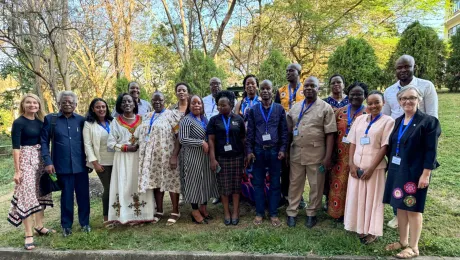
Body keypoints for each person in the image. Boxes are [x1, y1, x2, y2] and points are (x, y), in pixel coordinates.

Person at [383, 85, 441, 259]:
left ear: (419, 100)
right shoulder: (398, 121)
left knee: (413, 208)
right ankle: (402, 241)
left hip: (415, 173)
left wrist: (426, 174)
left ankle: (414, 247)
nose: (408, 101)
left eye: (412, 98)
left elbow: (431, 151)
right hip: (397, 170)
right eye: (404, 98)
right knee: (400, 207)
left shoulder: (429, 122)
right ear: (399, 101)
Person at [382, 54, 439, 229]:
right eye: (399, 67)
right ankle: (397, 214)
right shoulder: (389, 91)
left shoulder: (426, 86)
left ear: (414, 67)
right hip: (396, 142)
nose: (403, 70)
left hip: (416, 144)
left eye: (407, 66)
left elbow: (432, 116)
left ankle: (411, 214)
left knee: (412, 179)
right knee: (396, 177)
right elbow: (385, 117)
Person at [343, 90, 395, 245]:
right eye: (370, 103)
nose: (373, 106)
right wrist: (351, 164)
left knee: (373, 201)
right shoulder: (360, 119)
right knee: (357, 198)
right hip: (356, 167)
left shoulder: (388, 121)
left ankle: (372, 231)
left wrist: (372, 168)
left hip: (375, 169)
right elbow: (353, 142)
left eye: (377, 102)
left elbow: (384, 147)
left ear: (383, 103)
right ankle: (358, 226)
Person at [286, 76, 336, 229]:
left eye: (312, 86)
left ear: (317, 88)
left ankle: (311, 213)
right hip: (296, 152)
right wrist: (287, 152)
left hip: (316, 154)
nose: (308, 88)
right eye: (306, 85)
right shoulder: (295, 108)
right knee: (295, 184)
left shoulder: (325, 108)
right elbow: (288, 132)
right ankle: (292, 212)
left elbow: (330, 134)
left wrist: (327, 157)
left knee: (315, 185)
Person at [8, 94, 54, 250]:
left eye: (35, 102)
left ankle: (39, 226)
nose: (32, 105)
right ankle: (28, 234)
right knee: (27, 196)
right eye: (29, 102)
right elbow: (15, 147)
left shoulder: (42, 122)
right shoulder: (18, 122)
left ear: (39, 105)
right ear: (23, 104)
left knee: (40, 193)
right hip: (26, 160)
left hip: (41, 159)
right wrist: (17, 170)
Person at [41, 91, 90, 237]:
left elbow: (88, 141)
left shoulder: (82, 120)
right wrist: (48, 161)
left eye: (70, 102)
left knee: (83, 196)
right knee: (66, 196)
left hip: (81, 165)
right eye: (64, 101)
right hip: (61, 166)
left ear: (75, 104)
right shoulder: (51, 120)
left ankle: (85, 223)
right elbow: (44, 141)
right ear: (59, 104)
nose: (67, 104)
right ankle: (66, 225)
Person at [106, 93, 154, 225]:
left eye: (129, 101)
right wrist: (125, 148)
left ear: (134, 104)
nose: (127, 104)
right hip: (123, 159)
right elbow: (110, 143)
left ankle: (143, 215)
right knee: (125, 185)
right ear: (120, 106)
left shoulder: (143, 119)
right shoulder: (115, 122)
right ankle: (125, 216)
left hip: (139, 158)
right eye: (123, 102)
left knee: (138, 183)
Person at [246, 80, 288, 227]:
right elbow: (250, 132)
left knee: (275, 183)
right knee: (258, 183)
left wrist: (283, 149)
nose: (265, 91)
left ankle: (274, 213)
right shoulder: (253, 110)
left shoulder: (279, 109)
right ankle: (259, 213)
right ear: (259, 91)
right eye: (262, 88)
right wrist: (249, 151)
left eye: (267, 88)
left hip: (274, 151)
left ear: (272, 90)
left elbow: (284, 131)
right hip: (258, 151)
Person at [138, 91, 181, 226]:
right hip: (152, 156)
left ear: (164, 100)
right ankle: (160, 210)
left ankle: (175, 211)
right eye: (154, 100)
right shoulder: (147, 116)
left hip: (168, 155)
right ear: (151, 101)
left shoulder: (172, 115)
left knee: (172, 182)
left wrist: (174, 155)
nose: (157, 102)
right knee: (156, 182)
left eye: (160, 100)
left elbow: (179, 136)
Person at [327, 82, 369, 221]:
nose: (355, 97)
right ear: (348, 95)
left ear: (364, 96)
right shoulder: (340, 112)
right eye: (352, 94)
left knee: (355, 187)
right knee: (338, 184)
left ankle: (353, 216)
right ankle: (337, 213)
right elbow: (331, 133)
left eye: (359, 94)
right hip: (339, 156)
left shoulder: (368, 113)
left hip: (359, 157)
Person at [179, 95, 219, 224]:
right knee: (194, 182)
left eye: (199, 103)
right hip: (192, 156)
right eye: (193, 103)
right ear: (189, 106)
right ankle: (195, 210)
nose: (197, 105)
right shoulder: (186, 120)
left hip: (205, 157)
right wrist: (201, 143)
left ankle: (203, 207)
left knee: (206, 181)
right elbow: (182, 139)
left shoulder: (205, 119)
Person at [208, 90, 245, 226]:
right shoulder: (214, 120)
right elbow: (211, 140)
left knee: (236, 186)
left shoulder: (238, 119)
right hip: (221, 158)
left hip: (237, 157)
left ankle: (235, 211)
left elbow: (243, 138)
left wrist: (246, 155)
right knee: (224, 187)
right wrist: (213, 158)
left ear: (230, 105)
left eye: (224, 105)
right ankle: (226, 212)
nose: (220, 108)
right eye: (218, 105)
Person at [275, 63, 306, 208]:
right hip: (284, 132)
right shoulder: (280, 90)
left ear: (299, 72)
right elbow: (275, 110)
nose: (288, 73)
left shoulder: (306, 89)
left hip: (301, 132)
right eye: (286, 71)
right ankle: (285, 194)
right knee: (285, 164)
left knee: (299, 166)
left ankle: (299, 197)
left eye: (291, 71)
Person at [83, 98, 114, 225]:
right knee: (108, 188)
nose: (101, 109)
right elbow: (87, 144)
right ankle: (106, 217)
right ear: (93, 109)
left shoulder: (112, 121)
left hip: (116, 160)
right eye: (98, 107)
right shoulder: (88, 124)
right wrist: (95, 163)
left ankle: (117, 214)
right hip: (102, 162)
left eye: (103, 106)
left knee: (116, 188)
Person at [322, 74, 349, 211]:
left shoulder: (351, 100)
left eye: (339, 82)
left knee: (344, 171)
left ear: (343, 84)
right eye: (333, 83)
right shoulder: (324, 102)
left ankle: (344, 201)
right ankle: (328, 198)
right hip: (329, 141)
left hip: (347, 143)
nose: (336, 85)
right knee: (329, 171)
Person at [170, 82, 191, 206]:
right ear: (176, 93)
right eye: (179, 90)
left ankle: (192, 193)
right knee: (180, 170)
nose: (181, 92)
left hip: (191, 143)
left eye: (183, 90)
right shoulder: (172, 109)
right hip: (177, 143)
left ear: (187, 92)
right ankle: (183, 195)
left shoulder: (193, 105)